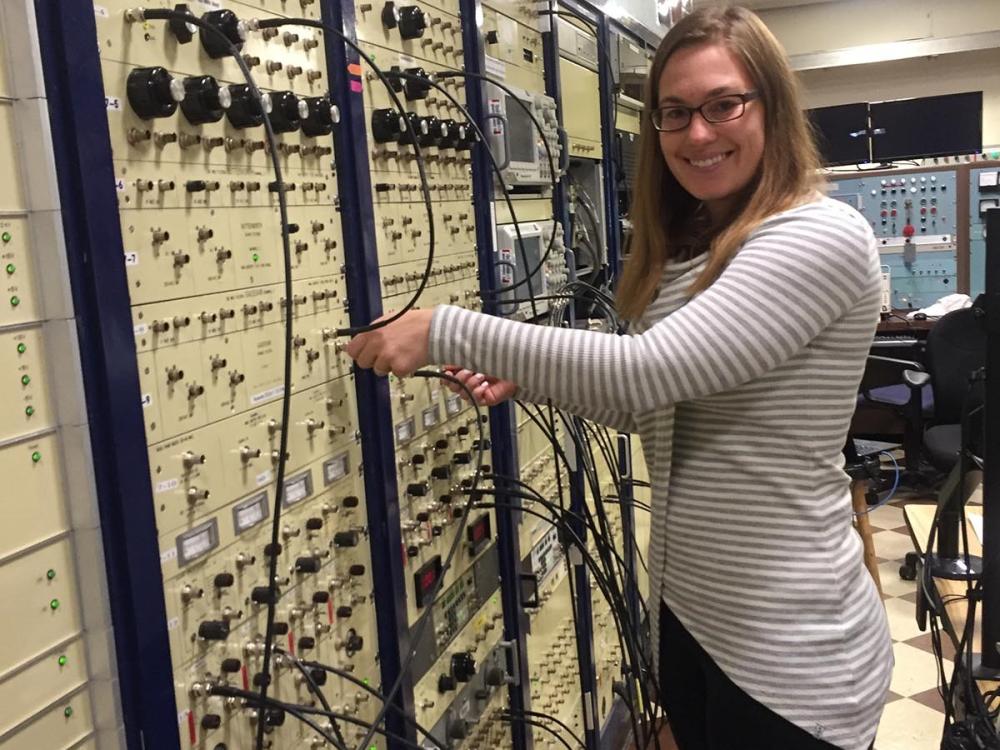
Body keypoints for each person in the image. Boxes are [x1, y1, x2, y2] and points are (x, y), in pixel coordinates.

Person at [345, 5, 892, 750]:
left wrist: (446, 328)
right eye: (674, 112)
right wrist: (530, 378)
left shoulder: (816, 234)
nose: (697, 133)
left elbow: (645, 372)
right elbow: (662, 410)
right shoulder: (698, 249)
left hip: (792, 653)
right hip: (699, 623)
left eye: (723, 104)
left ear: (772, 105)